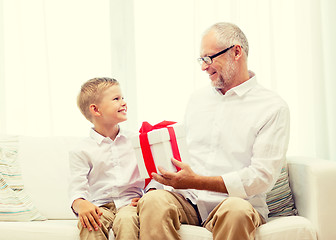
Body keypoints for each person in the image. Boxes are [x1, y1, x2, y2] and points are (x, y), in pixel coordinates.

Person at [137, 22, 290, 240]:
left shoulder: (272, 107)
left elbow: (261, 178)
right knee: (153, 201)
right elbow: (181, 155)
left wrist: (196, 181)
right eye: (201, 60)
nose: (203, 67)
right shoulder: (197, 99)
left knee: (236, 212)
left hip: (237, 203)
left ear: (236, 52)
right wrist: (156, 185)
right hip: (189, 200)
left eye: (209, 58)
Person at [69, 77, 160, 240]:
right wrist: (80, 203)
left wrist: (149, 194)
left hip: (130, 204)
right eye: (116, 99)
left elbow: (154, 175)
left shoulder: (137, 141)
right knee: (89, 223)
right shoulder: (81, 150)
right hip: (100, 206)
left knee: (127, 220)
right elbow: (77, 187)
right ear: (96, 110)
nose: (123, 102)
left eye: (123, 97)